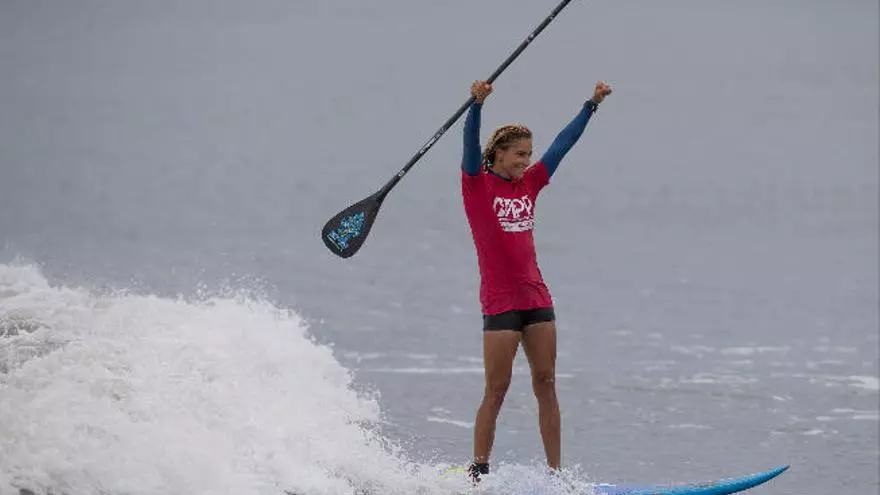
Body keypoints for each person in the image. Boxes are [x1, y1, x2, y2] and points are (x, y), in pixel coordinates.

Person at [460, 79, 612, 483]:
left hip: (537, 298)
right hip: (500, 303)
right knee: (497, 390)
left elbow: (563, 145)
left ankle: (555, 476)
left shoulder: (529, 184)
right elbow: (470, 147)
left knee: (546, 383)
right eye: (519, 154)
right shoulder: (476, 185)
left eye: (529, 154)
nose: (526, 161)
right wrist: (476, 106)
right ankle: (478, 473)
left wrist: (591, 104)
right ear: (499, 153)